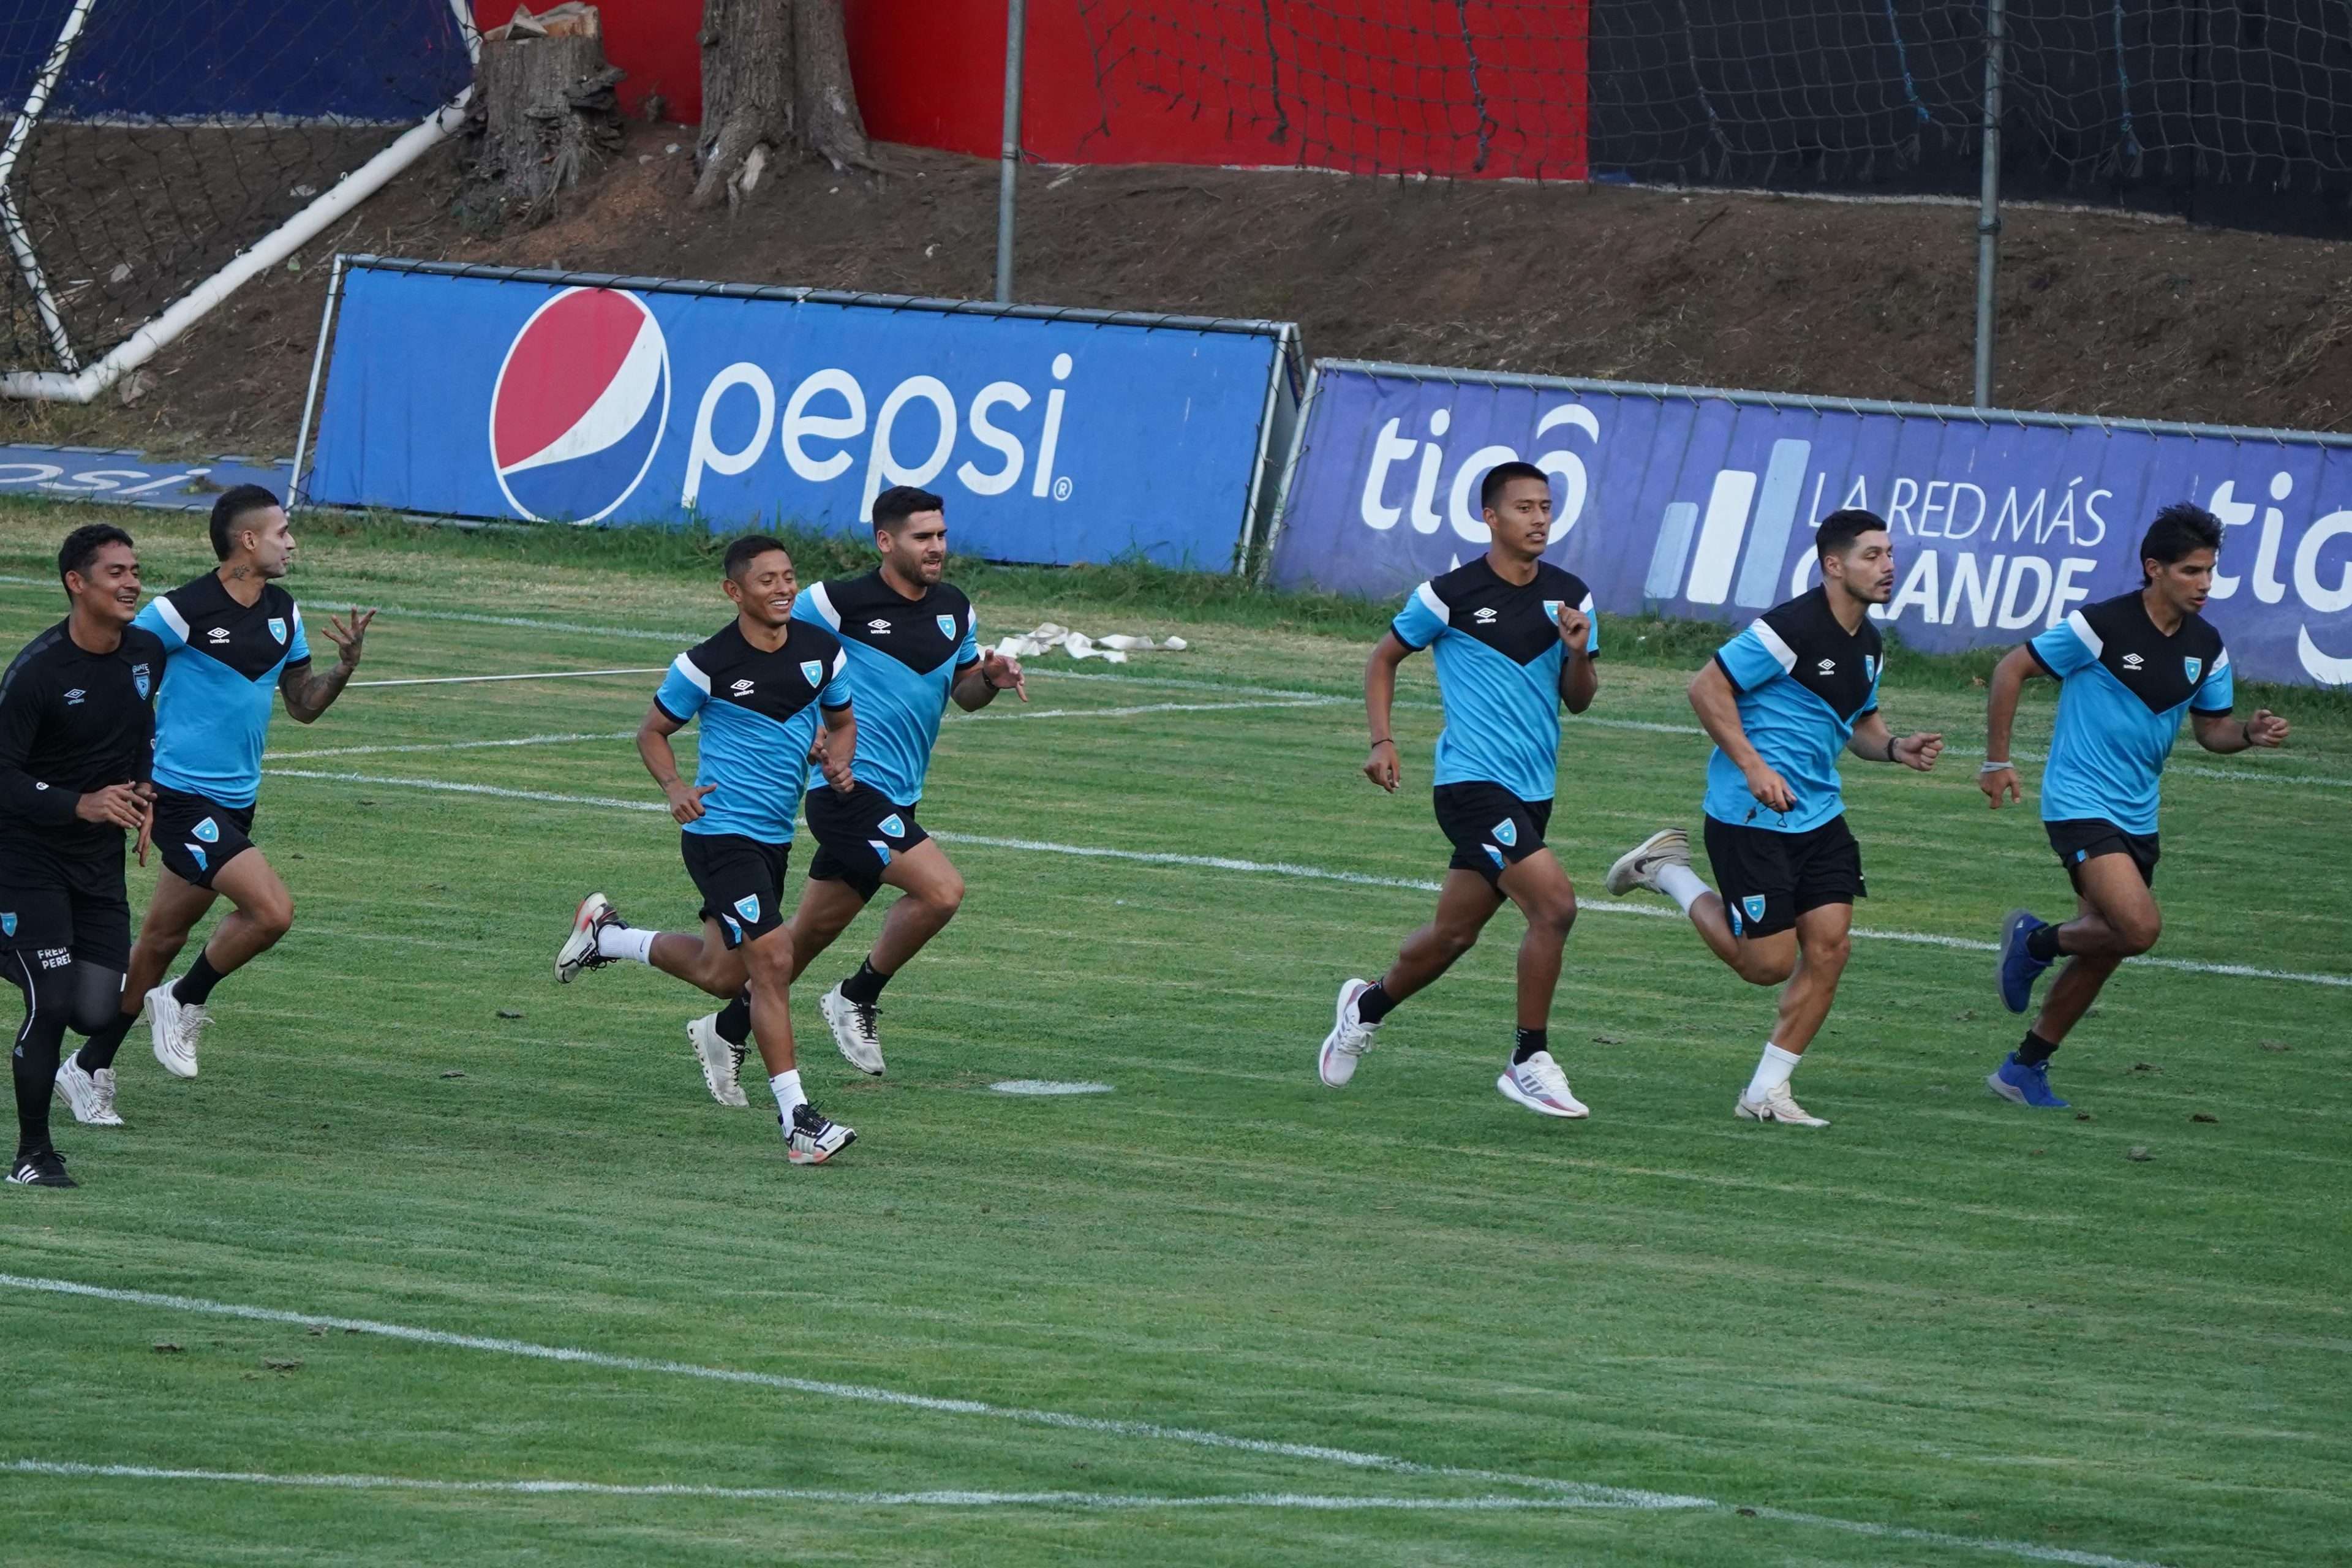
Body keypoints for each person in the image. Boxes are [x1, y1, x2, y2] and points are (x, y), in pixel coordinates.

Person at [679, 485, 1027, 1104]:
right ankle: (856, 996)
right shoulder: (835, 602)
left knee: (796, 945)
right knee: (942, 890)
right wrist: (801, 725)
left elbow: (965, 692)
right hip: (847, 793)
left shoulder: (956, 609)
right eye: (923, 537)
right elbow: (762, 644)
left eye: (941, 535)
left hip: (899, 796)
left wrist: (991, 680)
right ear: (886, 541)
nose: (937, 547)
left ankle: (724, 1029)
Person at [1604, 509, 1943, 1128]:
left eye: (1890, 553)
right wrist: (1754, 766)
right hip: (1749, 815)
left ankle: (1766, 1090)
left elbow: (1860, 725)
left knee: (1831, 948)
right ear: (1833, 565)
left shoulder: (1868, 645)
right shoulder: (1789, 628)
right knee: (1766, 965)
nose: (1889, 565)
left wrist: (1894, 747)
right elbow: (1707, 688)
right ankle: (1666, 872)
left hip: (1820, 817)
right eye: (1873, 555)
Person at [554, 534, 860, 1165]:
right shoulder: (705, 663)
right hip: (720, 834)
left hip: (774, 837)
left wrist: (836, 761)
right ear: (734, 590)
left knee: (724, 974)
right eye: (766, 579)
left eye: (788, 577)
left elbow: (841, 720)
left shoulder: (821, 651)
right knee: (774, 959)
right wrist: (673, 786)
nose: (781, 589)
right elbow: (653, 731)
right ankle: (798, 1121)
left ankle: (607, 936)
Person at [68, 488, 375, 1106]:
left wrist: (343, 669)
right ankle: (184, 998)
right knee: (272, 912)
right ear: (248, 541)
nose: (292, 542)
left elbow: (302, 705)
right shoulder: (180, 611)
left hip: (237, 801)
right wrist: (136, 775)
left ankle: (87, 1066)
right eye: (283, 531)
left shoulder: (283, 612)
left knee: (158, 942)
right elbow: (116, 675)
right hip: (181, 799)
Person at [1316, 461, 1603, 1118]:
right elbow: (1384, 657)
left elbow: (1580, 702)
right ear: (1491, 517)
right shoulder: (1448, 595)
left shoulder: (1573, 597)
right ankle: (1528, 1058)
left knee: (1452, 937)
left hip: (1533, 793)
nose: (1539, 519)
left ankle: (1366, 1006)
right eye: (1525, 508)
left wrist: (1579, 652)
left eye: (1546, 507)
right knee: (1555, 907)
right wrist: (1382, 741)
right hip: (1471, 787)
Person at [1978, 502, 2287, 1108]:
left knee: (2108, 942)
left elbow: (2212, 731)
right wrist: (1997, 760)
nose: (2205, 584)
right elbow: (2010, 669)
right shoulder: (2102, 626)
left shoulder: (2208, 644)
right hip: (2079, 801)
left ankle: (2024, 1068)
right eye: (2192, 571)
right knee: (2139, 927)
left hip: (2138, 812)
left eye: (2210, 571)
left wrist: (2248, 734)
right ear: (2155, 569)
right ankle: (2034, 943)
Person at [2, 524, 164, 1185]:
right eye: (116, 572)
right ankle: (33, 1156)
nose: (132, 583)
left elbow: (140, 731)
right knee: (54, 998)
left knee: (97, 1009)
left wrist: (143, 791)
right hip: (25, 856)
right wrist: (79, 803)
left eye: (135, 569)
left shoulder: (147, 653)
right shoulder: (37, 673)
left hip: (96, 863)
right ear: (77, 582)